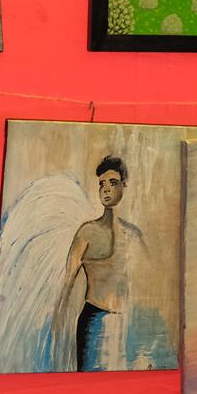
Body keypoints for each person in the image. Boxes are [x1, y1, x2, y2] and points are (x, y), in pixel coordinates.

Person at [58, 156, 144, 371]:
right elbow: (68, 281)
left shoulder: (134, 235)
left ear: (124, 185)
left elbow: (145, 283)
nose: (106, 189)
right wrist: (59, 321)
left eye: (112, 183)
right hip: (95, 320)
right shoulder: (87, 232)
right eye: (101, 184)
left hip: (128, 324)